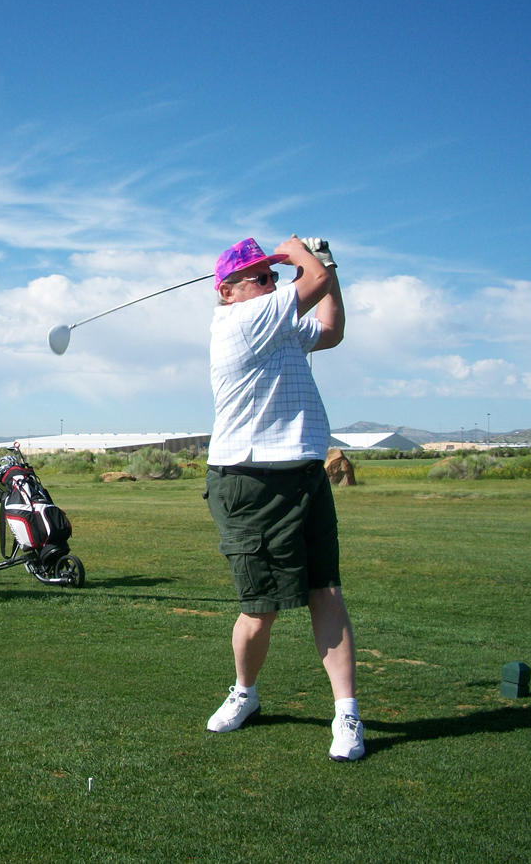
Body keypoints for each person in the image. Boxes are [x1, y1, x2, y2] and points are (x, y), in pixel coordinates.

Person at [203, 235, 364, 762]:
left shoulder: (280, 325)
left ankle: (347, 713)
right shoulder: (239, 323)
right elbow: (310, 281)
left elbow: (333, 329)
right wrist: (297, 248)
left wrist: (328, 266)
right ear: (227, 292)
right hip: (250, 479)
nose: (273, 283)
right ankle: (244, 693)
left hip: (304, 471)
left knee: (327, 592)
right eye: (262, 277)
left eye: (274, 276)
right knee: (260, 609)